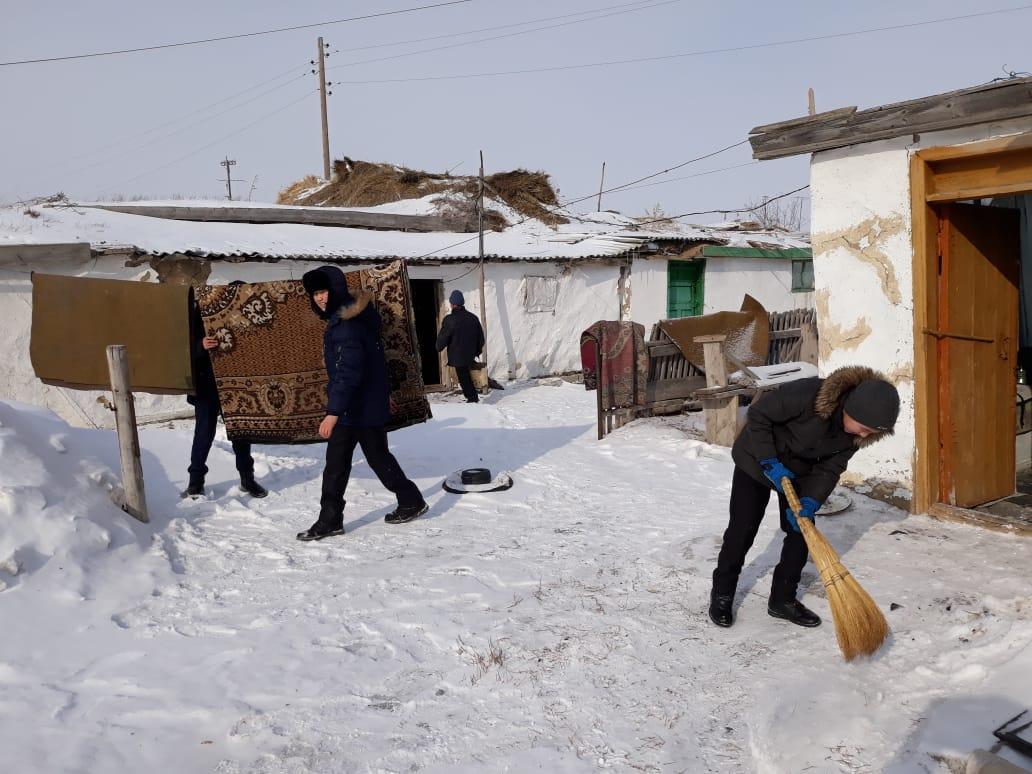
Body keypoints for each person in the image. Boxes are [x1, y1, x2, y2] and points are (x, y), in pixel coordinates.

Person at [709, 366, 900, 629]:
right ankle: (722, 592)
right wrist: (769, 461)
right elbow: (759, 415)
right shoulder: (807, 394)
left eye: (871, 432)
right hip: (757, 458)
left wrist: (811, 501)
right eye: (863, 428)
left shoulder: (857, 435)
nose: (864, 435)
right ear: (849, 408)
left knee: (801, 532)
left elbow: (831, 468)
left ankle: (782, 599)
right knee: (743, 528)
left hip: (801, 471)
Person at [297, 266, 427, 541]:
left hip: (353, 409)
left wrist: (333, 412)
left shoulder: (347, 326)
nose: (320, 298)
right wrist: (381, 395)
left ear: (336, 289)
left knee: (337, 466)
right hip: (365, 404)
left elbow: (348, 373)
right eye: (315, 294)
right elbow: (374, 363)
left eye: (323, 291)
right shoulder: (353, 317)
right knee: (377, 458)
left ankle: (330, 520)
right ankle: (411, 500)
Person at [186, 291, 267, 499]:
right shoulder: (200, 312)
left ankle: (247, 479)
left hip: (236, 383)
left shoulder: (245, 315)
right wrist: (201, 345)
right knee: (204, 433)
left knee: (241, 432)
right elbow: (180, 346)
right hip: (207, 384)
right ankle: (195, 483)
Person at [436, 289, 485, 403]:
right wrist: (476, 351)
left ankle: (472, 399)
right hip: (470, 355)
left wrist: (439, 346)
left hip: (457, 356)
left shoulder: (449, 319)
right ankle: (472, 397)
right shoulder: (473, 318)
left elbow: (443, 338)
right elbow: (481, 339)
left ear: (452, 304)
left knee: (463, 377)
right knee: (466, 376)